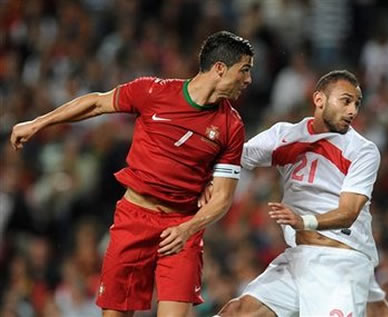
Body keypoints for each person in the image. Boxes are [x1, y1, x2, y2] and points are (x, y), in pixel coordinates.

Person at [10, 31, 254, 317]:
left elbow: (222, 198)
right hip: (134, 217)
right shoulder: (154, 92)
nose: (248, 80)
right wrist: (38, 123)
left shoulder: (231, 127)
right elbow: (97, 103)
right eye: (244, 70)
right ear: (220, 68)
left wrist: (187, 228)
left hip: (182, 225)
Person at [210, 70, 388, 316]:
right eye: (346, 101)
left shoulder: (363, 150)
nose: (353, 110)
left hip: (340, 261)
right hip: (298, 258)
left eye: (357, 103)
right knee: (238, 311)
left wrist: (304, 221)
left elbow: (349, 212)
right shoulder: (285, 135)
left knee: (375, 306)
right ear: (319, 99)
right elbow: (235, 155)